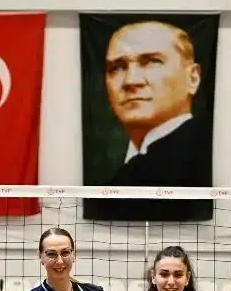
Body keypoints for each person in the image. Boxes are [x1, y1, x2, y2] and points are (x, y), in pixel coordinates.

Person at [86, 19, 213, 221]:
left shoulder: (205, 161)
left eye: (152, 61)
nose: (131, 81)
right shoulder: (121, 175)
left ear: (193, 78)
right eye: (117, 67)